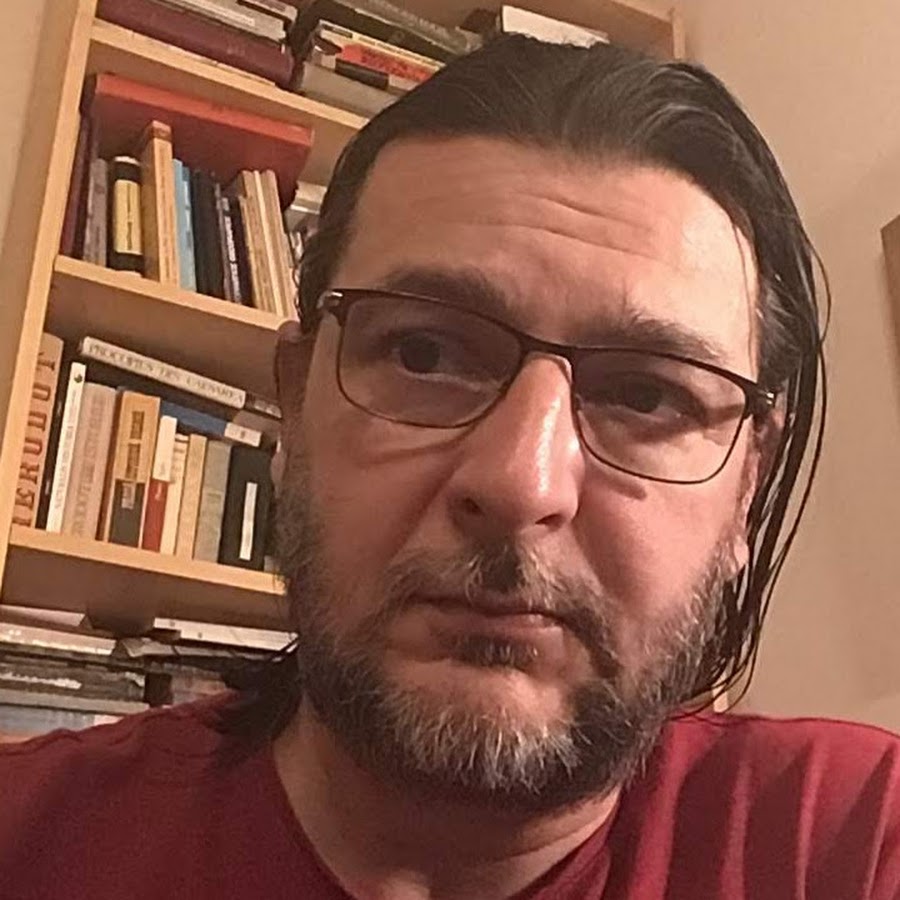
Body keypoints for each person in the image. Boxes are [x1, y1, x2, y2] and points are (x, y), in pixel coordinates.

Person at [2, 34, 898, 900]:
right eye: (424, 353)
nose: (520, 484)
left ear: (745, 493)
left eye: (647, 395)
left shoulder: (855, 840)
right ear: (293, 405)